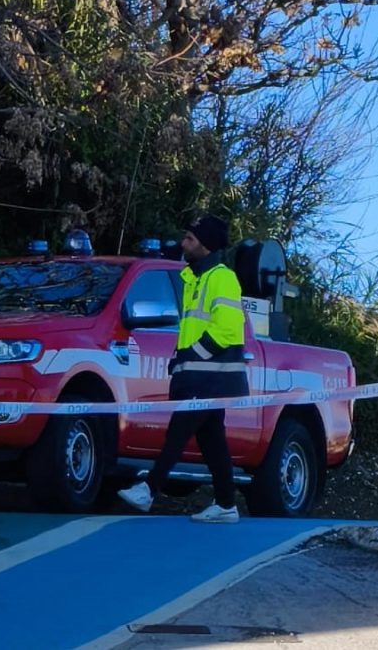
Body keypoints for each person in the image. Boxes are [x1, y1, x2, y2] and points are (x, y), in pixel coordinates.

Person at [117, 215, 248, 523]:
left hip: (209, 377)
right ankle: (226, 504)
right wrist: (181, 360)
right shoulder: (195, 279)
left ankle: (149, 490)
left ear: (206, 244)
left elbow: (228, 329)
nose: (183, 243)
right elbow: (194, 328)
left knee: (179, 431)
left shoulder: (221, 278)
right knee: (212, 440)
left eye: (190, 238)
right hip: (198, 375)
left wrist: (190, 355)